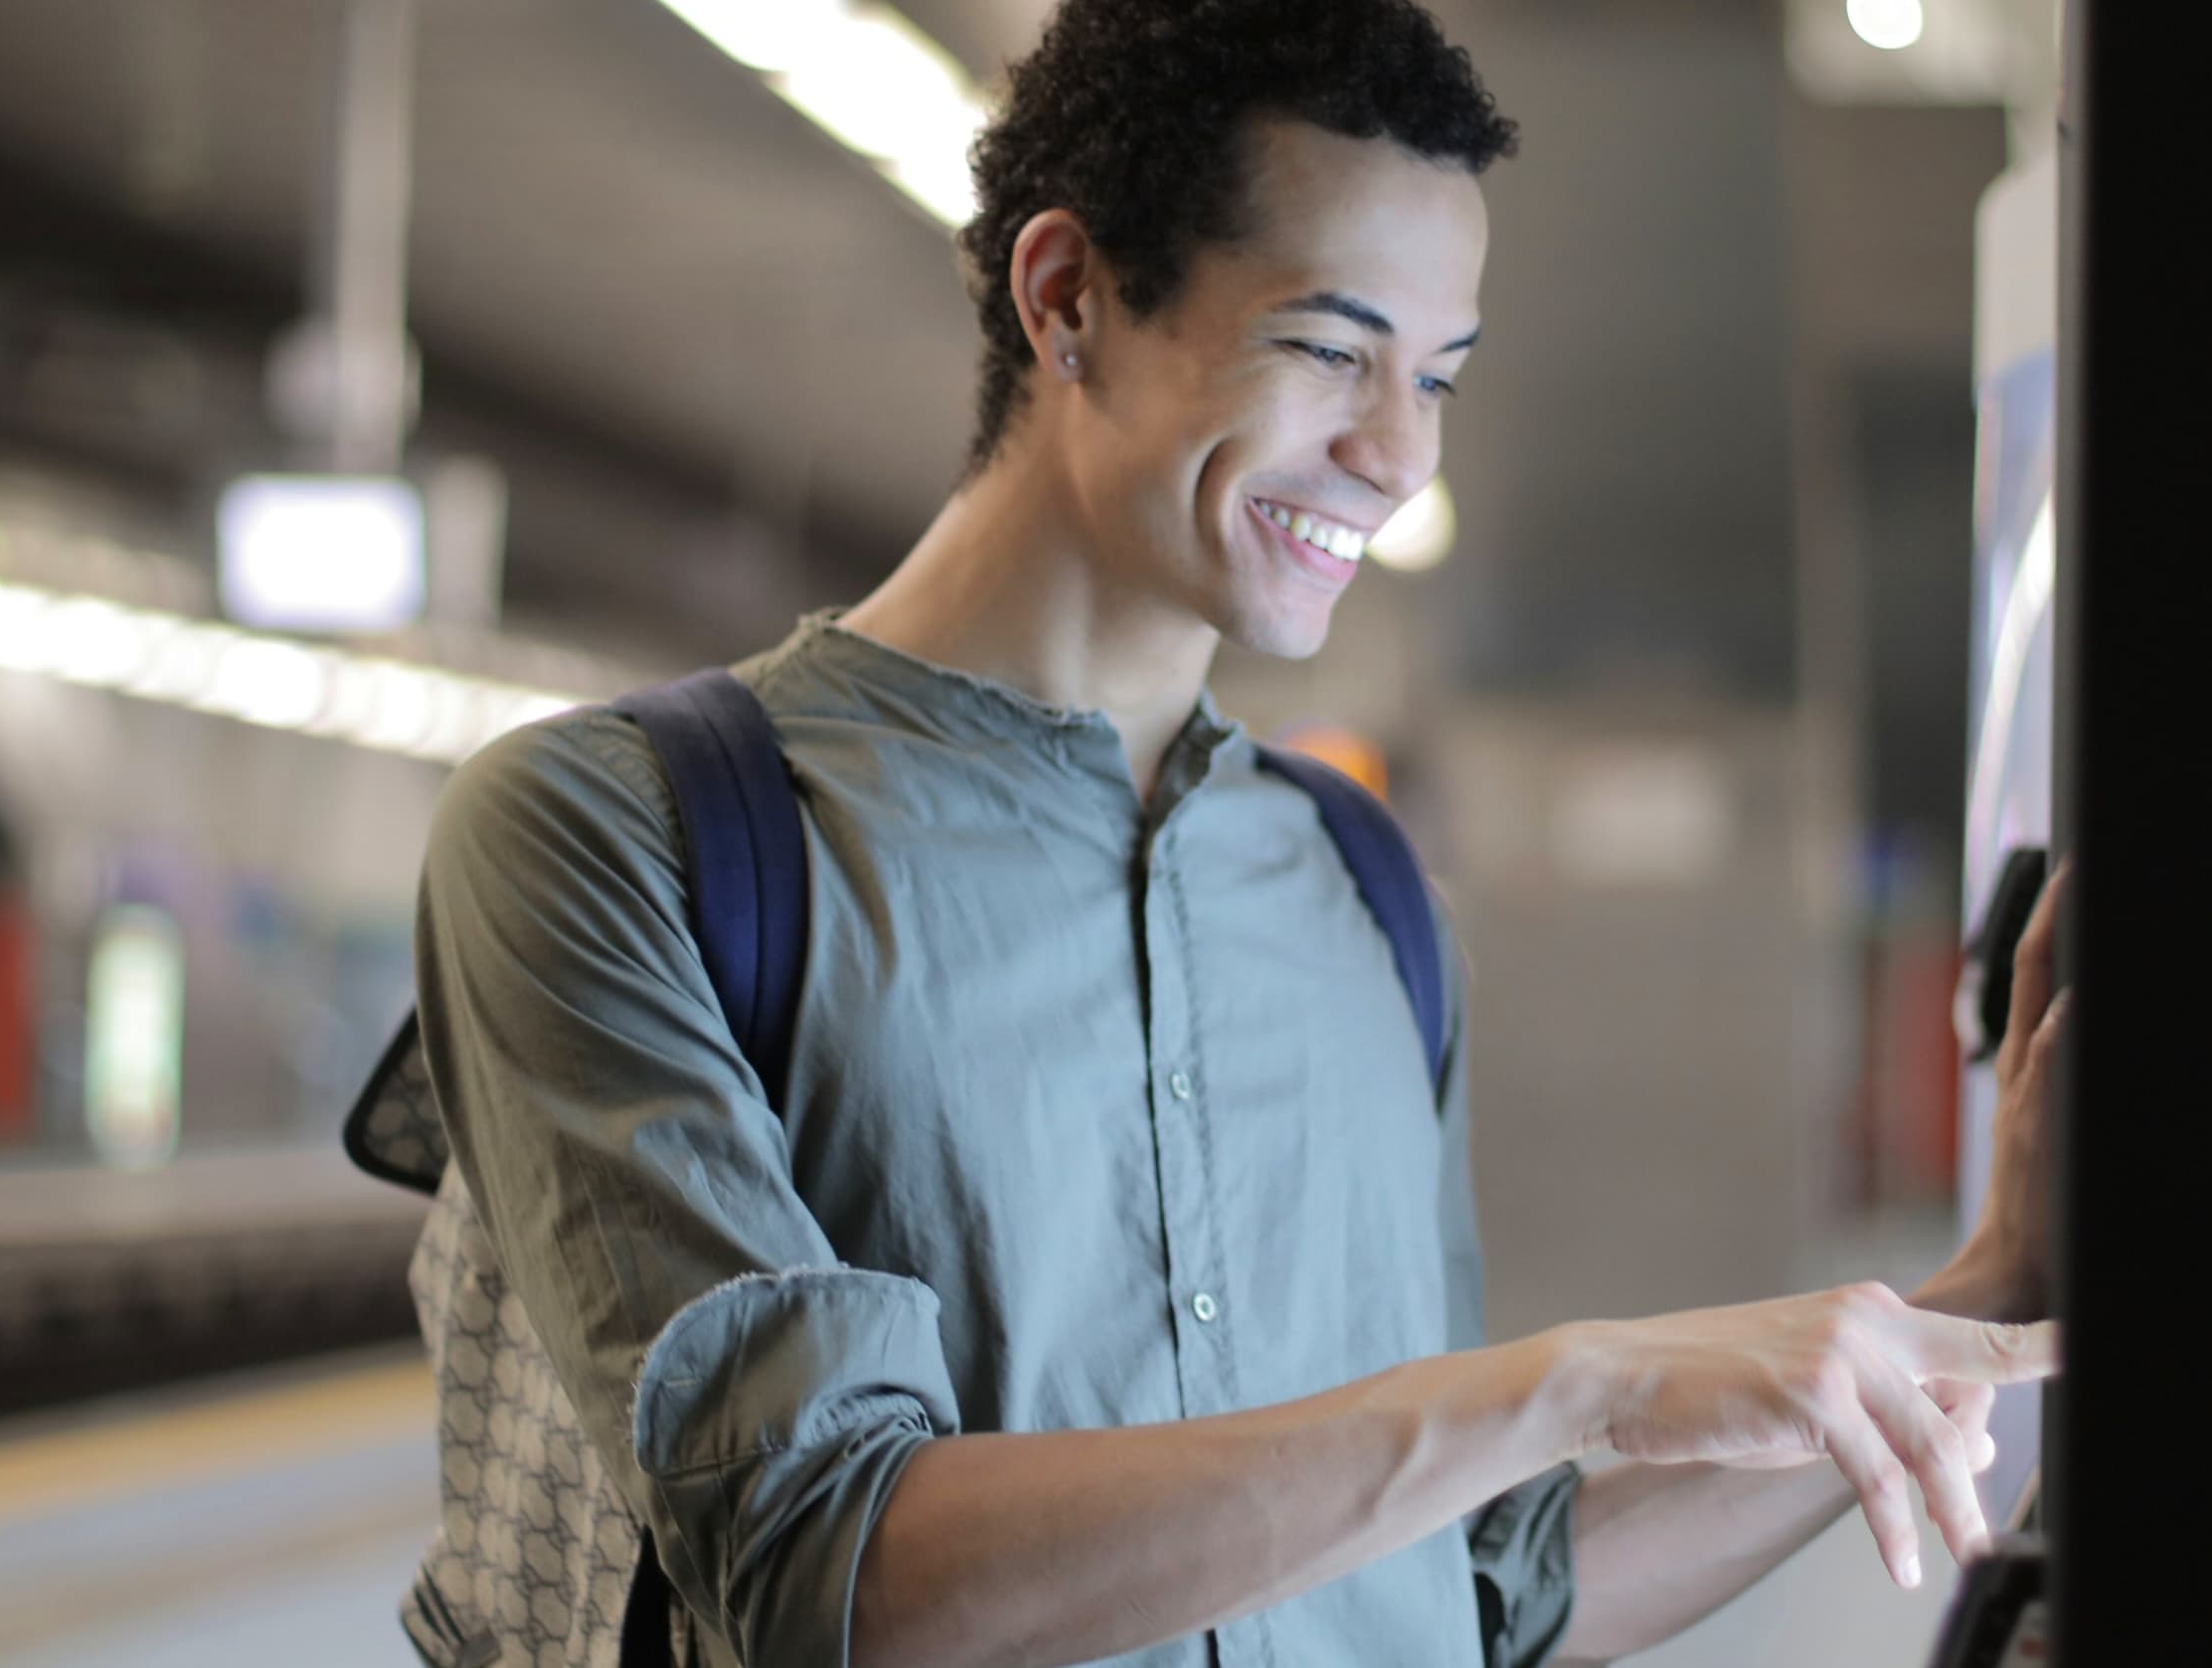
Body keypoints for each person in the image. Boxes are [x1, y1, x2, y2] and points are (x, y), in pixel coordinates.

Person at [411, 2, 2070, 1664]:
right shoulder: (622, 838)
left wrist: (1992, 1277)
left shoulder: (1363, 892)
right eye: (1330, 349)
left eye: (1435, 376)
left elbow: (1486, 1589)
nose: (1397, 454)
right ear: (1069, 300)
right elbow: (825, 1570)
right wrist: (1577, 1382)